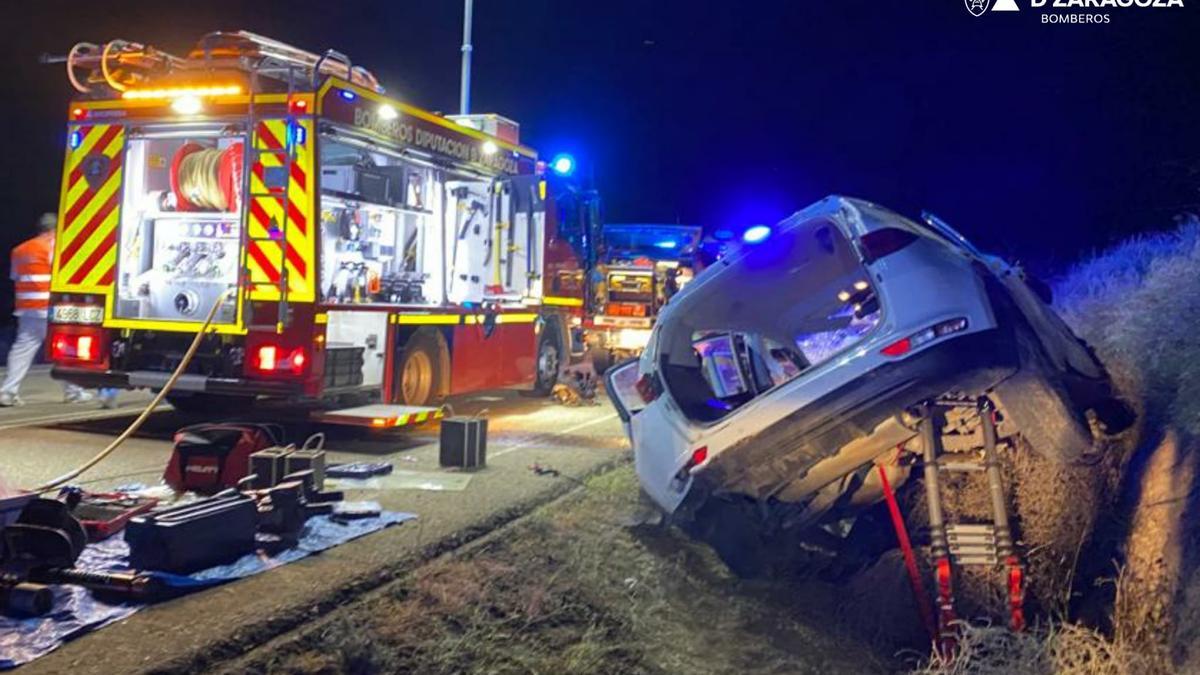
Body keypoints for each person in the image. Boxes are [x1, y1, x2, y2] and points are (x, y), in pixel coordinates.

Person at [0, 213, 107, 407]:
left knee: (22, 349)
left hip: (27, 308)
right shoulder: (56, 245)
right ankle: (73, 392)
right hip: (51, 307)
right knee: (66, 349)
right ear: (55, 229)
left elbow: (15, 277)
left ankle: (8, 392)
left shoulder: (20, 250)